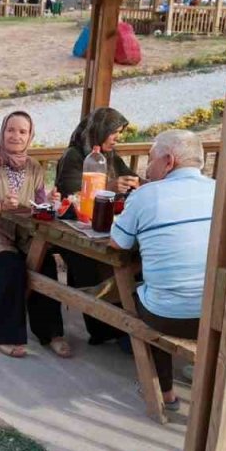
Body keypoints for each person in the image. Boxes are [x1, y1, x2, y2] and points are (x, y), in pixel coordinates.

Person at [109, 130, 215, 411]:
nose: (146, 167)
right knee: (166, 287)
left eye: (150, 158)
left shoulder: (146, 196)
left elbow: (117, 243)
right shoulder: (221, 190)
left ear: (168, 161)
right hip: (219, 314)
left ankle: (164, 392)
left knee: (149, 293)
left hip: (171, 317)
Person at [0, 111, 71, 358]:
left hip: (21, 232)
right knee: (12, 270)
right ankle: (4, 336)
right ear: (2, 132)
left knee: (45, 266)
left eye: (22, 131)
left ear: (30, 136)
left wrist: (51, 203)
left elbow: (39, 206)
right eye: (10, 130)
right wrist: (2, 206)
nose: (15, 136)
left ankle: (51, 333)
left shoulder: (34, 167)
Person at [56, 106, 140, 345]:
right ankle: (103, 329)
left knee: (131, 259)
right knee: (89, 262)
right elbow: (70, 191)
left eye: (119, 133)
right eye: (114, 132)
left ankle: (123, 326)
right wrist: (111, 186)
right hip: (74, 227)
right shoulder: (73, 156)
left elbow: (131, 177)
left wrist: (135, 182)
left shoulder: (111, 156)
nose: (117, 138)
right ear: (100, 130)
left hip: (105, 225)